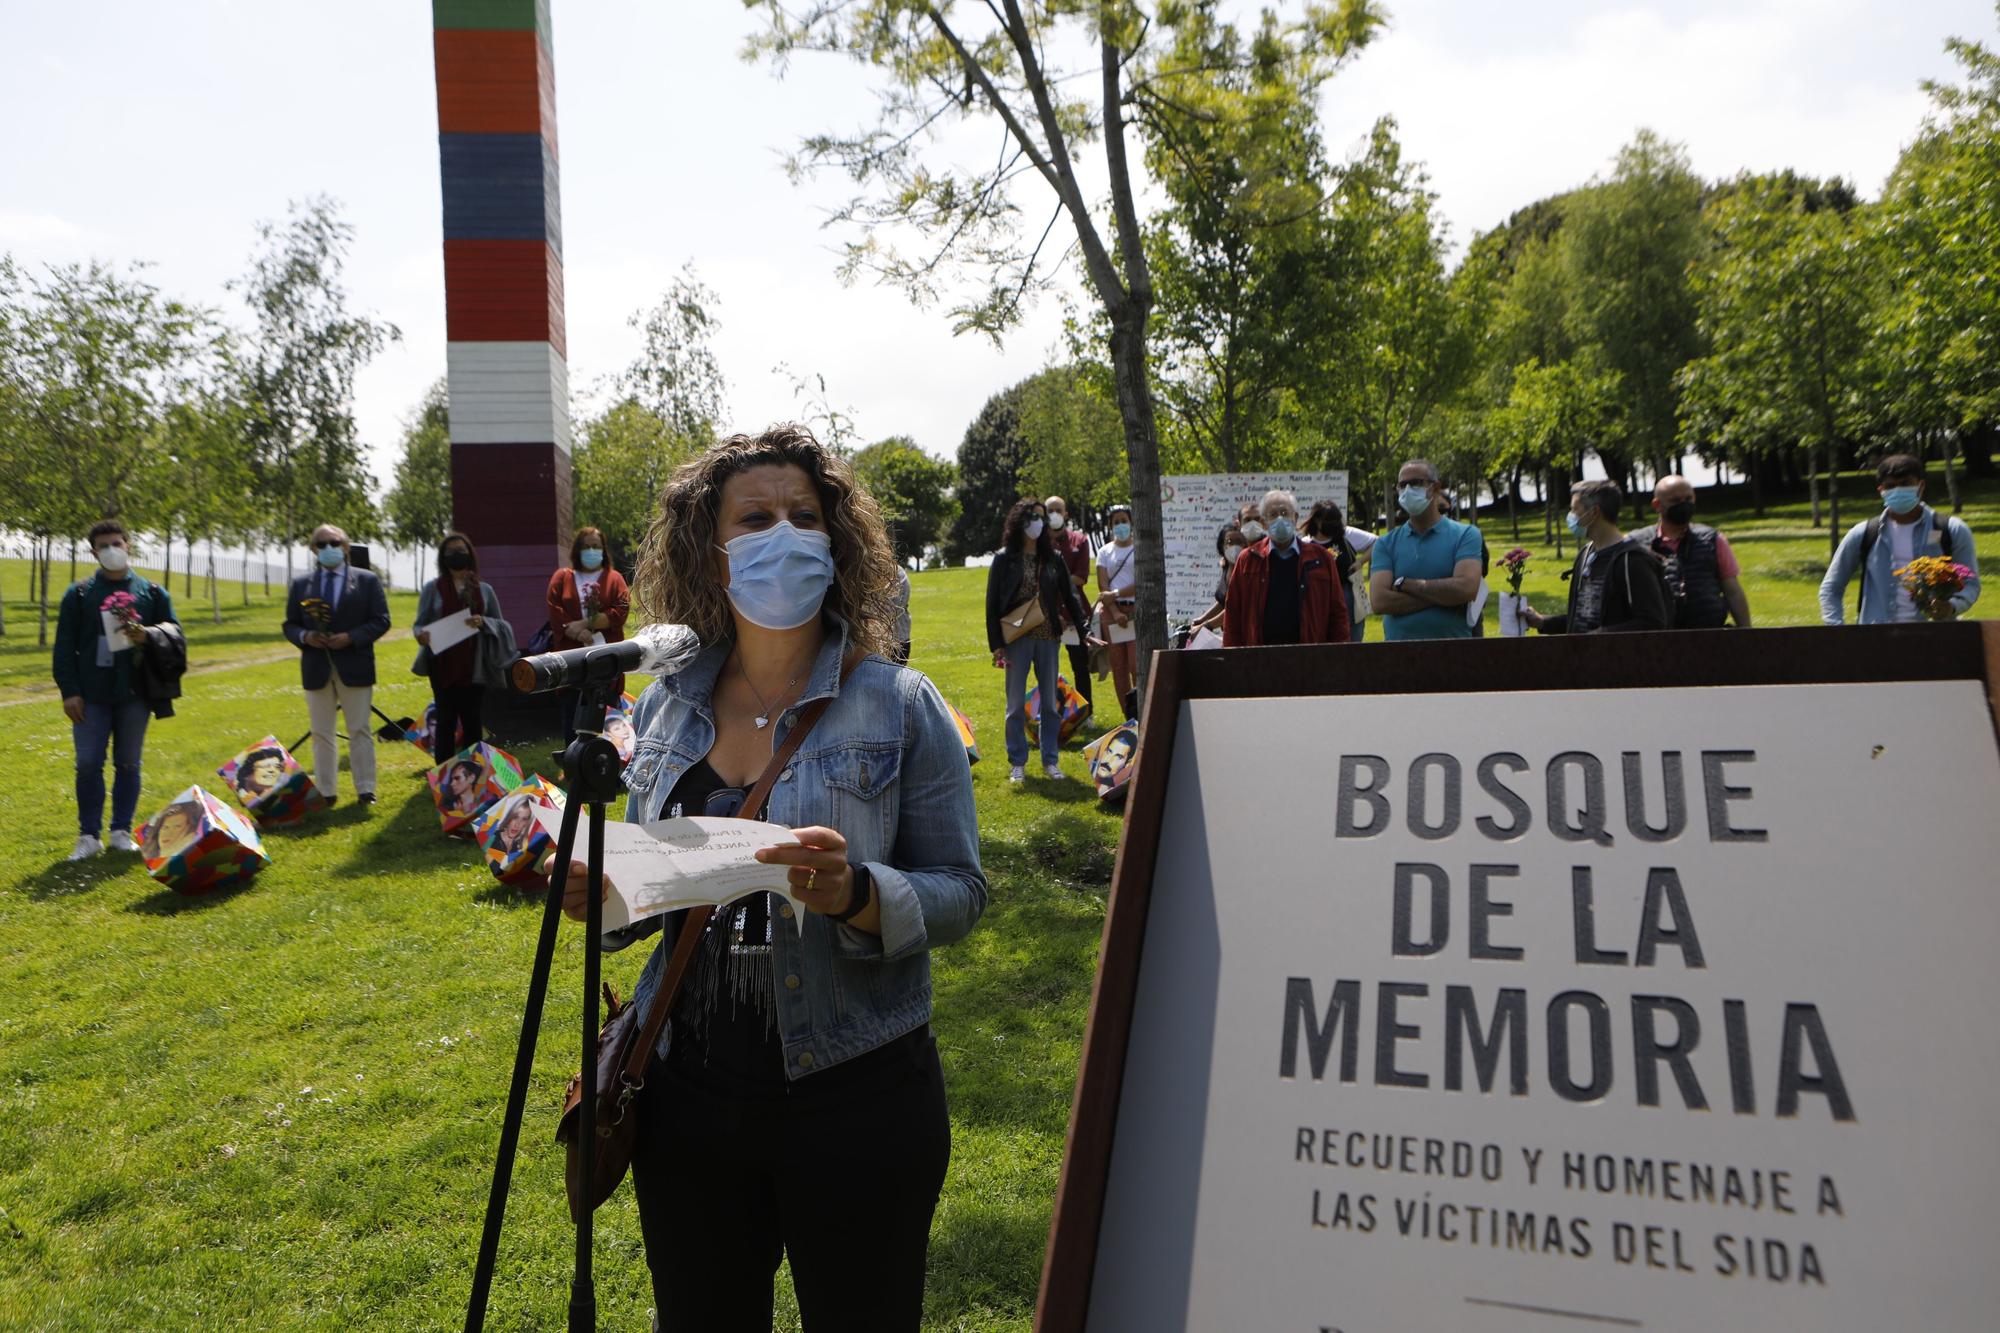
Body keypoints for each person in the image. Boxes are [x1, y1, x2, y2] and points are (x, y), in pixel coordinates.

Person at [557, 423, 986, 1332]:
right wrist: (604, 899)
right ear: (711, 556)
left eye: (804, 515)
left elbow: (960, 886)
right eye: (755, 518)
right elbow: (650, 892)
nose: (783, 534)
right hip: (685, 1094)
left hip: (859, 1097)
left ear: (837, 546)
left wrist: (858, 893)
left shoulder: (902, 703)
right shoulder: (664, 703)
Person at [53, 519, 179, 860]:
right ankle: (88, 837)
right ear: (94, 552)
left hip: (134, 694)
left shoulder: (152, 592)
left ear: (128, 545)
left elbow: (175, 633)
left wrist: (148, 635)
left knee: (128, 763)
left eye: (116, 543)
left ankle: (121, 831)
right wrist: (69, 691)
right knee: (88, 764)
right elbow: (64, 647)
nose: (111, 550)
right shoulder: (78, 594)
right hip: (90, 694)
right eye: (103, 546)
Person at [282, 524, 392, 808]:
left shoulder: (367, 580)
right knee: (321, 732)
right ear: (313, 550)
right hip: (316, 667)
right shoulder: (301, 584)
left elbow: (381, 620)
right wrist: (306, 637)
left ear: (346, 546)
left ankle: (366, 789)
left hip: (354, 664)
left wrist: (351, 638)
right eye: (321, 544)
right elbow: (290, 625)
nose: (328, 548)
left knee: (359, 729)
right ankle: (326, 791)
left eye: (334, 542)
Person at [988, 498, 1091, 783]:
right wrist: (996, 643)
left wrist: (1085, 630)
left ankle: (1050, 761)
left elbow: (1071, 598)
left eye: (1041, 517)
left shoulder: (1053, 559)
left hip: (1048, 638)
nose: (1038, 522)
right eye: (1033, 516)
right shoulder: (1004, 559)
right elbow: (992, 604)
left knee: (1049, 703)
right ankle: (1017, 762)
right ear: (1019, 520)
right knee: (1015, 704)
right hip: (1017, 638)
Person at [1819, 454, 1981, 625]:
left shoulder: (1951, 529)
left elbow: (1971, 584)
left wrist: (1952, 606)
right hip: (1876, 640)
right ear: (1881, 491)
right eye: (1890, 486)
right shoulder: (1864, 534)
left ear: (1921, 485)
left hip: (1935, 639)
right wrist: (1836, 629)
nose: (1897, 490)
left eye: (1905, 484)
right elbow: (1831, 587)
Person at [412, 532, 516, 755]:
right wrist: (420, 635)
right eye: (451, 553)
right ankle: (445, 775)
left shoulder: (485, 590)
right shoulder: (432, 588)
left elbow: (502, 624)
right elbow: (419, 624)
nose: (456, 556)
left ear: (470, 555)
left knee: (472, 720)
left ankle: (474, 770)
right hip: (441, 665)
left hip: (474, 666)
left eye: (461, 551)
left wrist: (483, 621)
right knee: (445, 720)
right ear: (443, 558)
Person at [1523, 480, 1672, 635]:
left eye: (1575, 510)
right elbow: (1583, 617)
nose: (1571, 516)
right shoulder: (1586, 553)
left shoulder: (1633, 560)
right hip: (1583, 657)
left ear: (1594, 512)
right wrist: (1543, 622)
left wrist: (1599, 637)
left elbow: (1652, 622)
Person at [1368, 460, 1485, 641]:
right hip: (1397, 655)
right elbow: (1379, 601)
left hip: (1456, 653)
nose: (1407, 490)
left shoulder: (1466, 534)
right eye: (1402, 485)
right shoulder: (1385, 543)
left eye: (1415, 483)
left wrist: (1405, 584)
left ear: (1435, 488)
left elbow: (1466, 588)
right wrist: (1443, 598)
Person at [1222, 490, 1350, 646]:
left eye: (1284, 512)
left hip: (1310, 658)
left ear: (1295, 518)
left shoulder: (1322, 559)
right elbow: (1233, 616)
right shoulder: (1247, 560)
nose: (1280, 519)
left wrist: (1339, 657)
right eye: (1273, 515)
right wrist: (1231, 660)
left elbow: (1338, 615)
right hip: (1260, 658)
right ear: (1264, 523)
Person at [546, 526, 632, 737]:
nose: (591, 551)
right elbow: (554, 609)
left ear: (603, 550)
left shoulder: (614, 578)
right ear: (577, 550)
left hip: (605, 660)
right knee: (572, 720)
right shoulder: (562, 577)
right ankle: (573, 764)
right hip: (571, 662)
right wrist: (576, 633)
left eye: (596, 546)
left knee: (606, 724)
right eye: (586, 547)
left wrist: (585, 624)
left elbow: (620, 611)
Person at [1636, 476, 1752, 629]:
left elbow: (1733, 592)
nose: (1684, 504)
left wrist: (1747, 633)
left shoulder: (1713, 539)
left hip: (1709, 635)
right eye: (1675, 501)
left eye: (1688, 498)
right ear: (1657, 505)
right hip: (1658, 637)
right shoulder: (1637, 544)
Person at [1045, 494, 1095, 708]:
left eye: (1059, 509)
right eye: (1050, 511)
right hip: (1047, 616)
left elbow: (1081, 577)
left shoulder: (1080, 541)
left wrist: (1052, 581)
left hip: (1074, 616)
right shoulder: (1038, 545)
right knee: (1047, 669)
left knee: (1080, 667)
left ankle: (1086, 712)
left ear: (1066, 513)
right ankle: (1051, 712)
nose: (1055, 514)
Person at [1303, 498, 1377, 641]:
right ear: (1316, 521)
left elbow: (1378, 542)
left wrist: (1361, 561)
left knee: (1352, 639)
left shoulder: (1347, 535)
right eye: (1328, 520)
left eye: (1335, 520)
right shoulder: (1306, 543)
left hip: (1348, 593)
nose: (1333, 524)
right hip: (1318, 596)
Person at [1095, 502, 1142, 720]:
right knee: (1119, 666)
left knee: (1135, 664)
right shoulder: (1105, 552)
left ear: (1131, 523)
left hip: (1134, 611)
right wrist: (1114, 611)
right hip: (1112, 615)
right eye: (1116, 522)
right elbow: (1102, 585)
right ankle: (1128, 715)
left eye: (1124, 521)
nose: (1121, 525)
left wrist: (1115, 593)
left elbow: (1140, 582)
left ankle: (1142, 708)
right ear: (1111, 526)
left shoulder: (1139, 547)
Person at [1191, 522, 1246, 636]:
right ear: (1222, 546)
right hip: (1229, 633)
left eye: (1239, 542)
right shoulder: (1227, 566)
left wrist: (1207, 625)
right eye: (1229, 542)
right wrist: (1201, 619)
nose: (1234, 547)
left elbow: (1235, 607)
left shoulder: (1247, 571)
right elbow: (1222, 601)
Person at [144, 798, 206, 862]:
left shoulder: (191, 858)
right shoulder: (147, 853)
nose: (168, 833)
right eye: (165, 827)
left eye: (177, 827)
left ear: (189, 832)